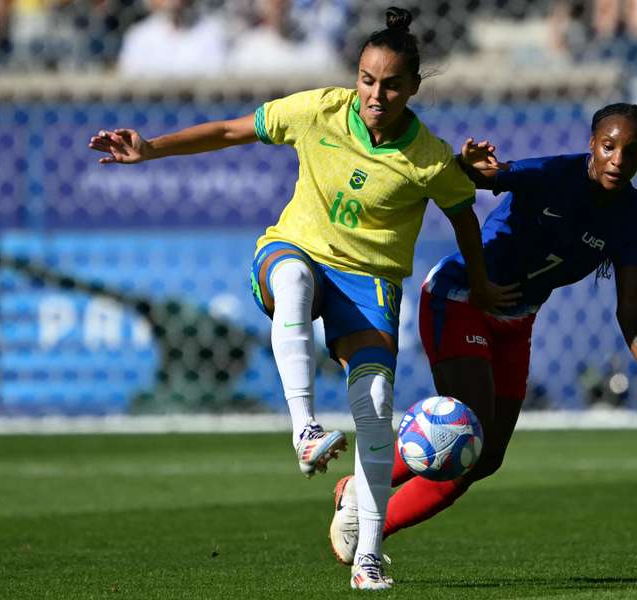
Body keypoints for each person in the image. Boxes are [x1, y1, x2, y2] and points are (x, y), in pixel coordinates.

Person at [89, 6, 508, 590]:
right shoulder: (320, 110)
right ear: (355, 76)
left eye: (390, 85)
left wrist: (482, 281)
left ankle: (368, 556)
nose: (375, 94)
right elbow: (235, 129)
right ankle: (305, 428)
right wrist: (151, 148)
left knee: (379, 400)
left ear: (413, 87)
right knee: (293, 281)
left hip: (367, 283)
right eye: (366, 79)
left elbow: (464, 215)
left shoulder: (430, 159)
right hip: (292, 251)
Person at [329, 103, 637, 563]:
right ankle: (366, 514)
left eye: (632, 151)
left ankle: (366, 508)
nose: (618, 158)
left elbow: (631, 309)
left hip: (518, 319)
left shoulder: (633, 218)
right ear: (592, 144)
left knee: (487, 456)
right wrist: (470, 166)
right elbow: (483, 177)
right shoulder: (556, 174)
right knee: (467, 427)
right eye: (609, 146)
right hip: (462, 298)